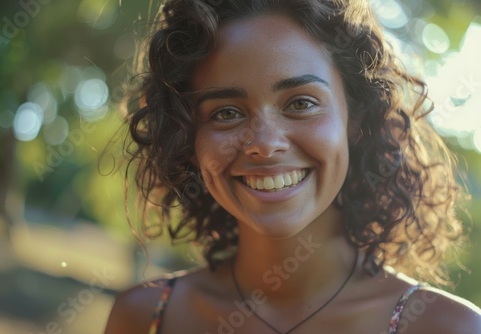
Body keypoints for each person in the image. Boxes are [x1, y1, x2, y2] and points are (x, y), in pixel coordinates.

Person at [105, 0, 481, 333]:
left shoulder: (447, 328)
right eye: (226, 113)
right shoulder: (144, 317)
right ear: (187, 137)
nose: (265, 144)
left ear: (357, 118)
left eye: (301, 103)